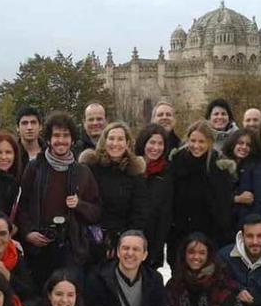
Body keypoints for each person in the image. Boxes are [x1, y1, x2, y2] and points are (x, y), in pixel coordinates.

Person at [18, 111, 100, 288]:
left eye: (65, 135)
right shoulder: (35, 168)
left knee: (68, 297)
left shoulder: (82, 172)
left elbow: (96, 211)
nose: (61, 140)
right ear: (48, 139)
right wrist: (28, 233)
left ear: (72, 139)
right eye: (56, 135)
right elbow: (21, 205)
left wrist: (80, 205)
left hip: (72, 248)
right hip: (39, 247)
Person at [167, 120, 235, 267]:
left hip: (208, 234)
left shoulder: (218, 166)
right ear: (187, 140)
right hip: (179, 234)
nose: (196, 146)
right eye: (193, 140)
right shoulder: (177, 162)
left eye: (201, 141)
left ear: (209, 142)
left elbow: (223, 205)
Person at [79, 121, 148, 261]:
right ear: (104, 141)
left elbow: (138, 213)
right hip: (91, 239)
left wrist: (122, 242)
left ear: (127, 143)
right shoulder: (91, 167)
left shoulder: (134, 172)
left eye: (120, 139)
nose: (115, 143)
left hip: (121, 242)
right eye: (111, 138)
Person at [134, 123, 172, 268]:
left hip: (153, 240)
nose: (155, 148)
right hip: (130, 239)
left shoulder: (167, 172)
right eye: (152, 142)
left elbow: (165, 212)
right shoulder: (132, 168)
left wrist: (157, 247)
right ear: (143, 143)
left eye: (160, 144)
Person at [221, 129, 255, 226]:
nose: (244, 147)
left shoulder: (252, 167)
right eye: (240, 143)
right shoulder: (221, 165)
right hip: (223, 222)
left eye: (248, 145)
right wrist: (236, 199)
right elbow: (214, 196)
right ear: (232, 144)